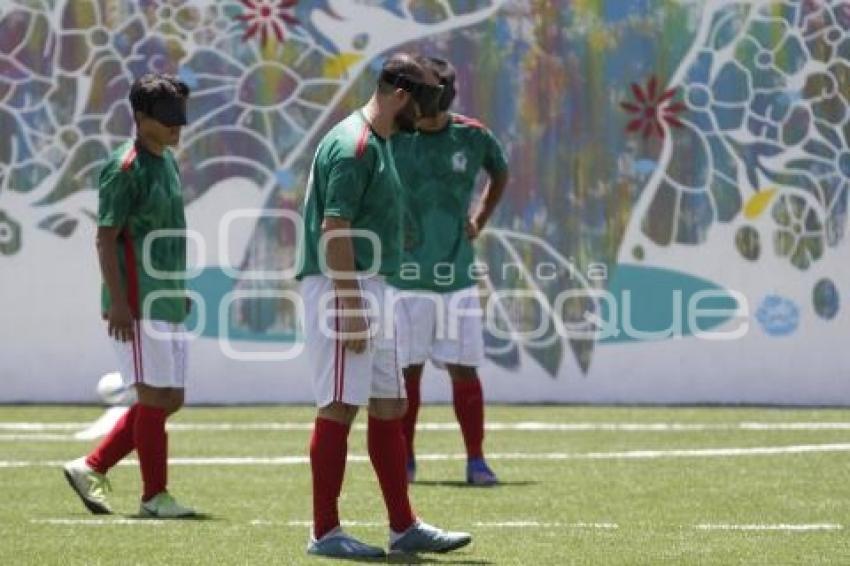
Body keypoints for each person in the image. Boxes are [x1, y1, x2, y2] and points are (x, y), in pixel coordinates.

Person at [296, 52, 472, 558]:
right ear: (400, 96)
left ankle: (403, 526)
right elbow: (335, 229)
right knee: (338, 406)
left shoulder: (380, 142)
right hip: (342, 286)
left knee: (390, 404)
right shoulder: (353, 146)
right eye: (423, 105)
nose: (426, 117)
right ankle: (325, 532)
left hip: (373, 285)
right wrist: (349, 303)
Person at [63, 73, 197, 518]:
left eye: (180, 114)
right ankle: (154, 496)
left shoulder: (168, 162)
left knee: (169, 398)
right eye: (167, 116)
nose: (178, 124)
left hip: (167, 299)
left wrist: (179, 290)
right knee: (153, 398)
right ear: (140, 117)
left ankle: (92, 466)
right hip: (137, 305)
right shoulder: (124, 168)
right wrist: (119, 303)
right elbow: (105, 239)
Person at [390, 56, 510, 486]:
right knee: (408, 372)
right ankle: (404, 460)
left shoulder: (473, 136)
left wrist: (479, 217)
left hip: (456, 277)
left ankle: (476, 460)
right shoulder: (394, 137)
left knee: (464, 369)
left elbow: (500, 172)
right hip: (404, 280)